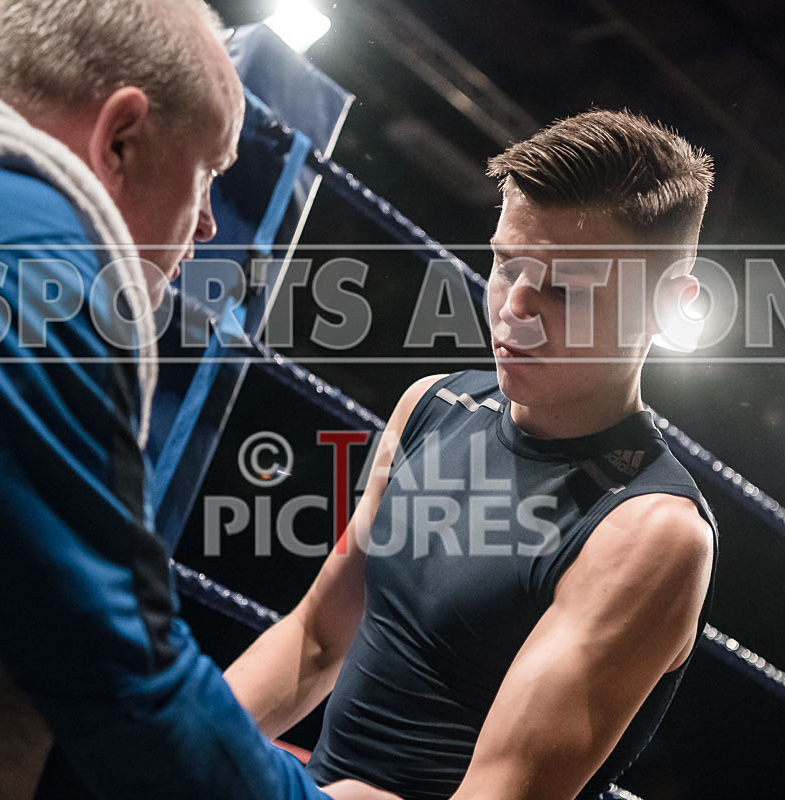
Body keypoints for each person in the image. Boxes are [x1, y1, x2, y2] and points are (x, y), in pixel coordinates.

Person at [224, 109, 719, 799]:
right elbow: (315, 639)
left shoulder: (649, 533)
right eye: (506, 265)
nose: (515, 308)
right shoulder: (433, 405)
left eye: (566, 289)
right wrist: (186, 740)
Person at [0, 1, 400, 799]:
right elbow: (113, 672)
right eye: (210, 172)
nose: (211, 223)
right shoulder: (46, 277)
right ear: (121, 138)